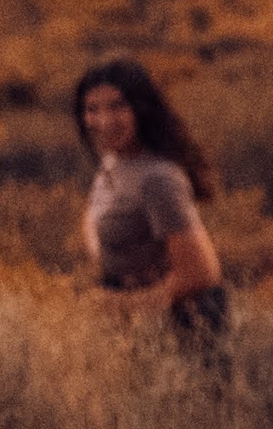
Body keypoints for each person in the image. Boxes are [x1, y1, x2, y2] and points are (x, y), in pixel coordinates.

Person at [72, 57, 227, 336]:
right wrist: (105, 261)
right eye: (92, 109)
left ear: (141, 108)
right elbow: (96, 212)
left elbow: (201, 273)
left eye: (118, 106)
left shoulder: (157, 179)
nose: (104, 120)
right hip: (137, 323)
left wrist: (123, 305)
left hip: (180, 332)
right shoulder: (113, 162)